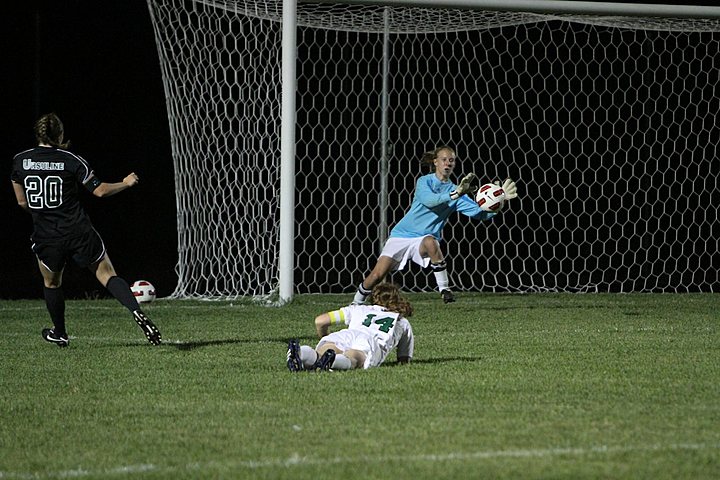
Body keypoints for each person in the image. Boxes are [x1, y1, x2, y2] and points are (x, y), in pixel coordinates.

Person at [10, 112, 161, 347]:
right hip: (78, 230)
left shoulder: (20, 161)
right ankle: (135, 311)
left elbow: (21, 202)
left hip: (47, 236)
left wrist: (45, 213)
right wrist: (126, 182)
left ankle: (59, 332)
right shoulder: (71, 160)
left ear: (38, 134)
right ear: (60, 134)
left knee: (52, 283)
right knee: (107, 274)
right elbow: (99, 190)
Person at [351, 145, 518, 305]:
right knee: (377, 275)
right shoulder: (425, 182)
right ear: (435, 162)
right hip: (402, 235)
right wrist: (454, 194)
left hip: (423, 239)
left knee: (431, 241)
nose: (447, 163)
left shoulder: (457, 190)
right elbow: (429, 201)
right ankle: (356, 302)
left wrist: (499, 203)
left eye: (451, 160)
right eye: (444, 159)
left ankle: (445, 290)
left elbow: (479, 213)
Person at [286, 283, 414, 371]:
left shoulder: (358, 309)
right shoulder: (401, 321)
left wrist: (327, 337)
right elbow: (404, 359)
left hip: (346, 335)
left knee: (322, 352)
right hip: (370, 341)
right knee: (353, 358)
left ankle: (301, 353)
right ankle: (334, 361)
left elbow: (320, 321)